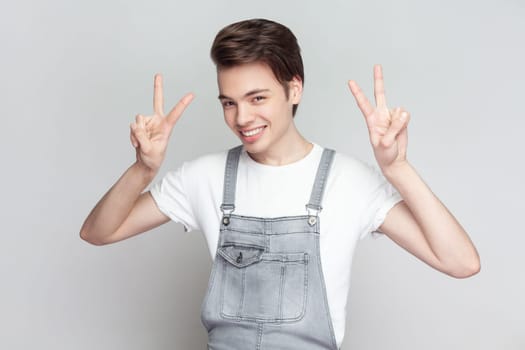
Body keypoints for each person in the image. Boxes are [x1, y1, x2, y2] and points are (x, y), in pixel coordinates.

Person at [80, 18, 480, 350]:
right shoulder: (203, 177)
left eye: (257, 98)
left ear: (294, 89)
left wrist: (398, 168)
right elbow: (98, 232)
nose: (241, 118)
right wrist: (143, 170)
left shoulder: (350, 181)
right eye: (229, 102)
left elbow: (461, 262)